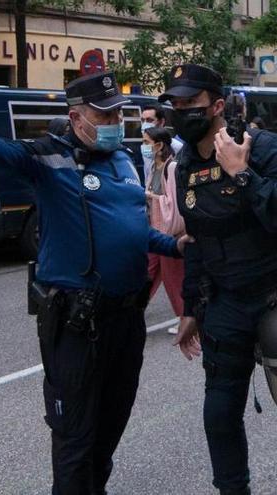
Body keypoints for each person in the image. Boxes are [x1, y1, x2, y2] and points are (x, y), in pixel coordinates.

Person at [0, 71, 186, 494]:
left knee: (109, 430)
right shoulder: (48, 159)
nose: (115, 122)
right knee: (75, 437)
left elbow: (131, 229)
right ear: (77, 118)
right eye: (104, 114)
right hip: (78, 324)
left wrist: (174, 246)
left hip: (126, 322)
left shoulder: (123, 162)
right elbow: (1, 153)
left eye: (118, 114)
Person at [164, 64, 277, 495]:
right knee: (219, 414)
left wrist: (242, 174)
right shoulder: (185, 164)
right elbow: (198, 242)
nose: (180, 112)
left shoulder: (262, 148)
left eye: (189, 104)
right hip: (226, 302)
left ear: (215, 106)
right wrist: (191, 308)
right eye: (174, 105)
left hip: (272, 294)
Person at [142, 126, 186, 335]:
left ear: (159, 145)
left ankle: (185, 318)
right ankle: (136, 307)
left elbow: (174, 203)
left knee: (173, 279)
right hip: (154, 230)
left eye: (146, 142)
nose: (144, 147)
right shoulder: (153, 167)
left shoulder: (172, 167)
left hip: (169, 233)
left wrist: (151, 197)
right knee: (146, 271)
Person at [141, 103, 183, 182]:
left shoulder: (177, 147)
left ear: (161, 122)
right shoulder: (145, 147)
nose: (144, 124)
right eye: (143, 120)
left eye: (149, 120)